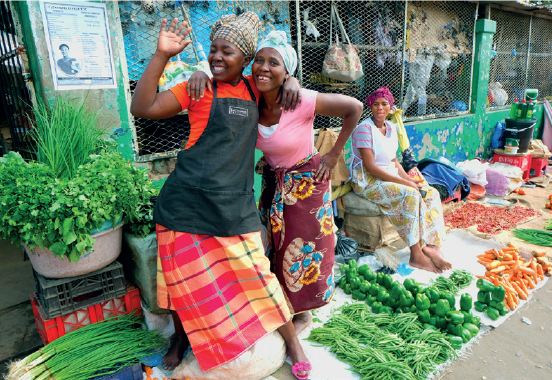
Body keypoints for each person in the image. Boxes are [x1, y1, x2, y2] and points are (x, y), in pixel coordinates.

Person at [130, 14, 304, 374]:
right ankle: (181, 339)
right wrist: (162, 55)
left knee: (258, 274)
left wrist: (293, 80)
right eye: (213, 51)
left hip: (232, 205)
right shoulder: (198, 88)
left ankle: (293, 343)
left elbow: (279, 78)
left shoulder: (254, 90)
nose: (217, 58)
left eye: (228, 52)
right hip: (184, 204)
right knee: (181, 284)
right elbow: (142, 107)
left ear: (246, 61)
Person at [188, 31, 363, 379]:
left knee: (307, 251)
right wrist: (198, 71)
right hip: (272, 186)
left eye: (274, 63)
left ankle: (303, 314)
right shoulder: (250, 95)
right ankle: (286, 313)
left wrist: (333, 153)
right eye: (260, 61)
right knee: (276, 255)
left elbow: (354, 108)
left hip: (305, 186)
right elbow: (222, 72)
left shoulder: (302, 100)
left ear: (286, 72)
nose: (264, 68)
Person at [348, 88, 451, 273]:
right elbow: (371, 168)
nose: (380, 108)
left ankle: (432, 245)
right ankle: (416, 254)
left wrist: (409, 178)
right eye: (376, 104)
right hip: (367, 182)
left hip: (388, 176)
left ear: (391, 106)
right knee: (411, 194)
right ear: (370, 107)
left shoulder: (392, 127)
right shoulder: (364, 129)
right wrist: (406, 184)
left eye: (384, 104)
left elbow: (394, 161)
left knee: (431, 192)